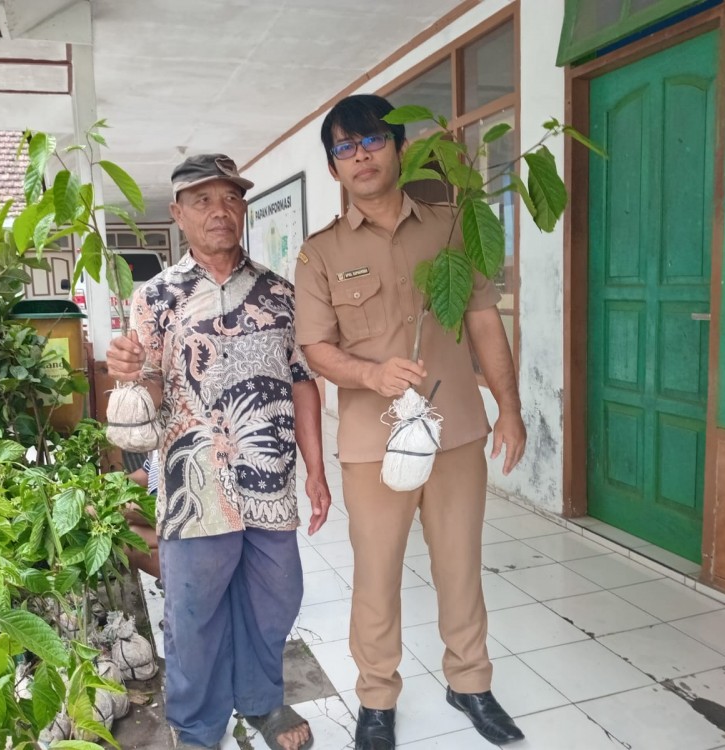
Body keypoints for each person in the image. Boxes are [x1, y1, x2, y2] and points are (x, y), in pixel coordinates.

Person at [293, 94, 527, 749]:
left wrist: (509, 409)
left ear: (399, 148)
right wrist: (372, 375)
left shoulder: (451, 228)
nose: (360, 156)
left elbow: (484, 322)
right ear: (334, 167)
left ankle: (470, 683)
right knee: (377, 574)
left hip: (455, 431)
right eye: (345, 148)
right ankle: (376, 698)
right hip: (374, 444)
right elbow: (316, 349)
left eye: (372, 141)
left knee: (460, 564)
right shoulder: (320, 254)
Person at [106, 153, 331, 750]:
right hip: (194, 484)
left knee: (275, 596)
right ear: (178, 213)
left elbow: (303, 382)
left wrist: (316, 470)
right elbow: (149, 388)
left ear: (244, 208)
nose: (219, 210)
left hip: (269, 476)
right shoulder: (157, 297)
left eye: (230, 198)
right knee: (193, 611)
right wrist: (130, 370)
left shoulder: (280, 294)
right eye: (202, 200)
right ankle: (197, 725)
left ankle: (260, 701)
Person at [124, 451, 161, 581]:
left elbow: (168, 512)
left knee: (130, 540)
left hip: (191, 530)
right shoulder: (157, 447)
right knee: (129, 533)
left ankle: (189, 584)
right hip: (170, 519)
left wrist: (119, 508)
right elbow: (145, 474)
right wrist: (112, 481)